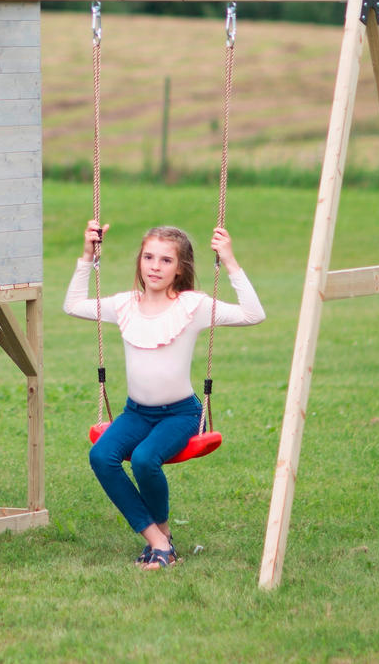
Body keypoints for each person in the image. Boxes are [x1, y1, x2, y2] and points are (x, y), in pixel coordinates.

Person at [63, 220, 265, 570]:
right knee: (102, 456)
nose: (155, 266)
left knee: (144, 459)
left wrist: (230, 261)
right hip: (135, 413)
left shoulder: (193, 306)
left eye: (166, 260)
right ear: (139, 261)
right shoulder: (124, 305)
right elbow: (73, 305)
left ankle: (162, 541)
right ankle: (159, 540)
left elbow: (253, 314)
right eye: (149, 257)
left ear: (180, 268)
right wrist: (87, 256)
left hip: (180, 415)